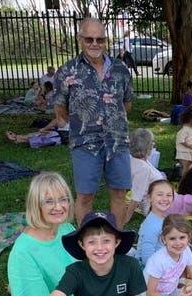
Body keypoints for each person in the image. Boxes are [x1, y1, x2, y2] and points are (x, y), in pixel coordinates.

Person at [54, 18, 133, 227]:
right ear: (80, 39)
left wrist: (111, 119)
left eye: (100, 39)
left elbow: (127, 103)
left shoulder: (120, 69)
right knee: (85, 196)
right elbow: (61, 108)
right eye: (89, 39)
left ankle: (116, 242)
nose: (95, 43)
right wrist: (83, 120)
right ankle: (86, 245)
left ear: (106, 40)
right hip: (84, 143)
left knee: (119, 193)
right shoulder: (66, 72)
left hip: (117, 141)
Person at [7, 172, 78, 296]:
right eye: (49, 202)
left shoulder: (66, 229)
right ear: (36, 206)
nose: (59, 206)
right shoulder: (23, 252)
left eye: (63, 199)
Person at [126, 129, 192, 224]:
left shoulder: (138, 161)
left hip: (167, 201)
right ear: (148, 148)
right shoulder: (143, 168)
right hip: (164, 206)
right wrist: (123, 221)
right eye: (152, 143)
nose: (153, 146)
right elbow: (136, 198)